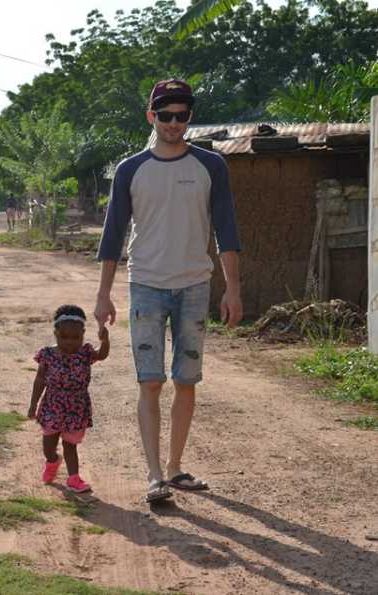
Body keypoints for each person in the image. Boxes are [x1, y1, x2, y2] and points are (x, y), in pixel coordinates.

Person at [95, 78, 242, 503]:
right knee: (151, 382)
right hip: (146, 286)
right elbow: (112, 236)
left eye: (181, 116)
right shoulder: (130, 169)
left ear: (189, 117)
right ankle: (154, 475)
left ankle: (176, 468)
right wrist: (103, 294)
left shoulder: (211, 166)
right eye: (166, 116)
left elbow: (227, 232)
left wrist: (233, 288)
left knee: (186, 380)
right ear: (151, 117)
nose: (174, 123)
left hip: (195, 285)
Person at [28, 305, 109, 493]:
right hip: (52, 405)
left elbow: (102, 355)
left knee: (70, 445)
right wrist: (33, 404)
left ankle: (73, 478)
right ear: (56, 334)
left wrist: (105, 341)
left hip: (76, 407)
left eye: (76, 338)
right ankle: (52, 461)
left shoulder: (85, 353)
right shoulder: (47, 354)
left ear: (83, 334)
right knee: (49, 445)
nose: (70, 343)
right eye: (64, 337)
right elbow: (40, 379)